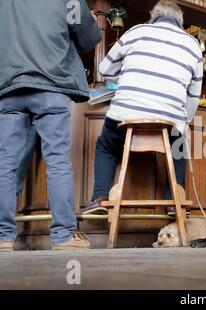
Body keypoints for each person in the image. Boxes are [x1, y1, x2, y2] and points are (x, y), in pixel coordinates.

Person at [81, 0, 203, 215]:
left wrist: (128, 78)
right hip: (170, 121)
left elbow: (104, 68)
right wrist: (185, 121)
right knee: (179, 147)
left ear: (152, 16)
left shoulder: (136, 32)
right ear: (180, 22)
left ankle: (100, 198)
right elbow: (193, 95)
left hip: (125, 115)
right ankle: (174, 202)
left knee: (105, 146)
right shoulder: (192, 44)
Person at [0, 0, 102, 252]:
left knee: (4, 162)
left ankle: (2, 237)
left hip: (9, 86)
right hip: (51, 85)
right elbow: (89, 37)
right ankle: (63, 236)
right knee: (57, 159)